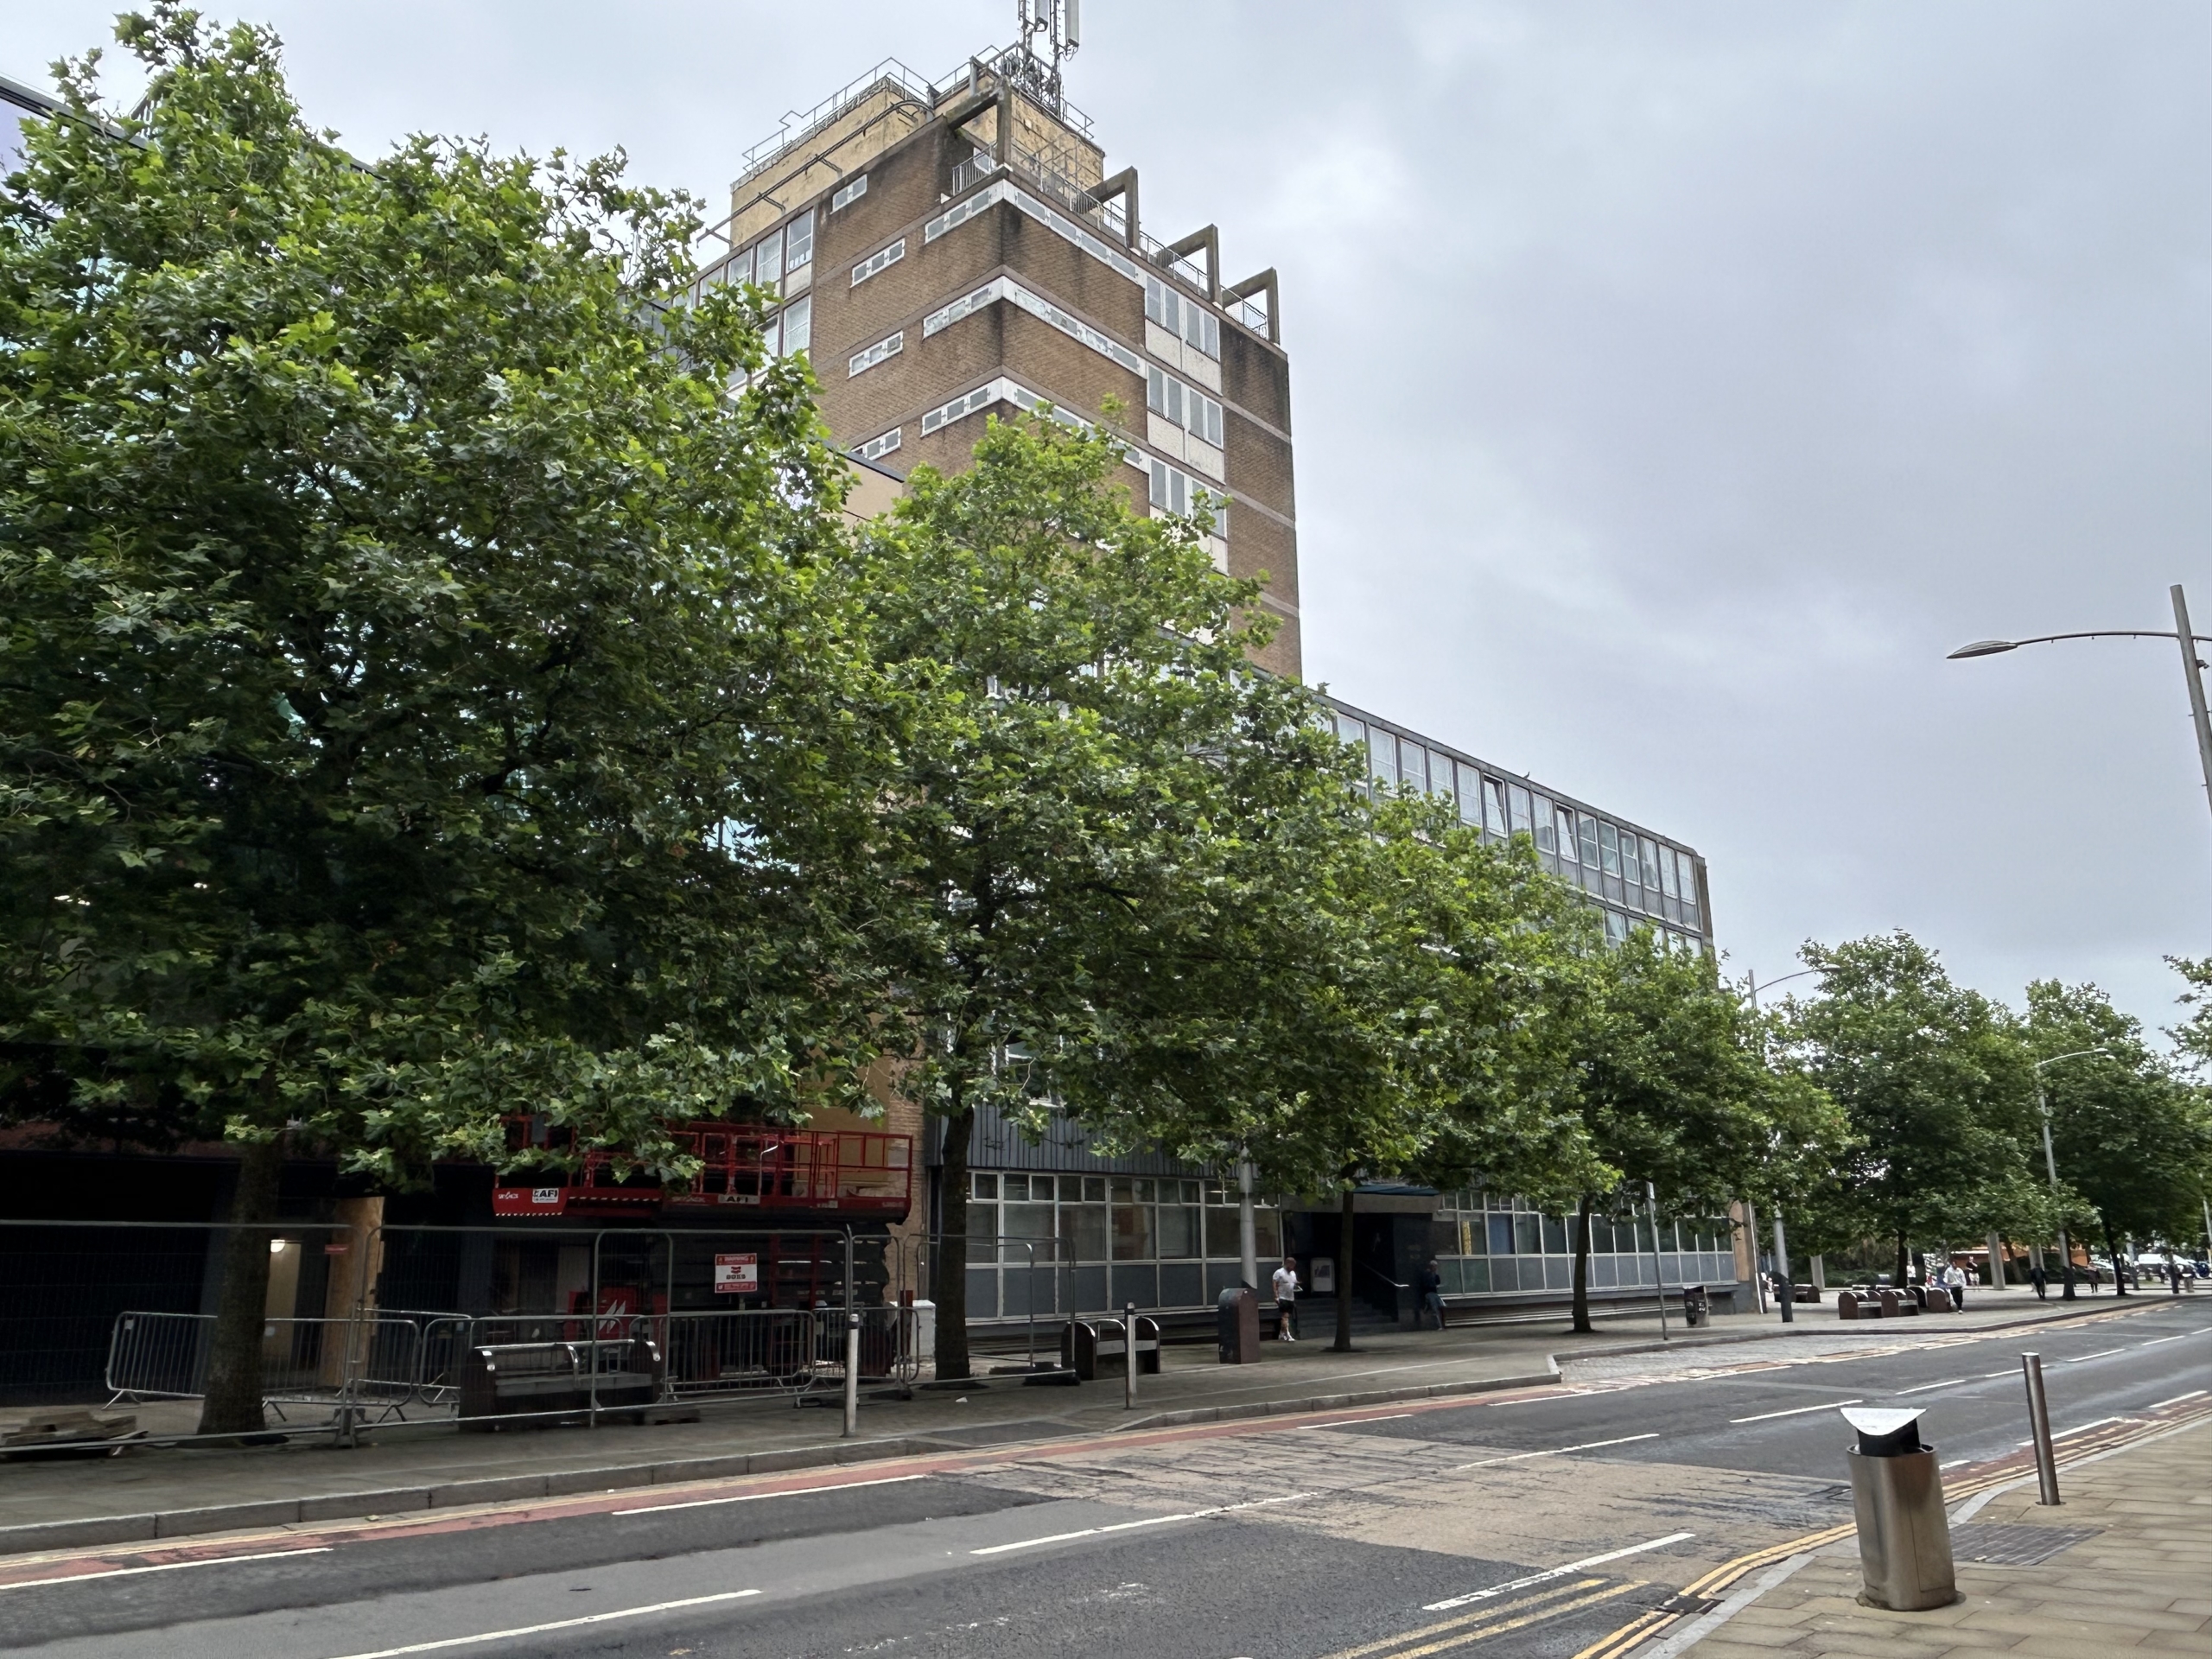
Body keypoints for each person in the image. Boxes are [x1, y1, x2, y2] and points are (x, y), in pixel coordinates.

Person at [1271, 1255, 1300, 1342]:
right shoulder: (1279, 1272)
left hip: (1291, 1297)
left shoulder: (1293, 1273)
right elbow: (1274, 1284)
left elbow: (1294, 1282)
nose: (1292, 1268)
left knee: (1287, 1316)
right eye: (1291, 1265)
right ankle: (1288, 1334)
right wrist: (1276, 1296)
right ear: (1287, 1264)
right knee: (1285, 1316)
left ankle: (1282, 1333)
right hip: (1283, 1297)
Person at [1417, 1258, 1445, 1329]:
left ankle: (1426, 1308)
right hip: (1429, 1292)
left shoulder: (1434, 1274)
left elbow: (1438, 1282)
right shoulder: (1426, 1274)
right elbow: (1425, 1284)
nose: (1435, 1268)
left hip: (1433, 1292)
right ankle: (1438, 1325)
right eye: (1434, 1266)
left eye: (1436, 1266)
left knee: (1439, 1307)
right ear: (1431, 1266)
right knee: (1435, 1309)